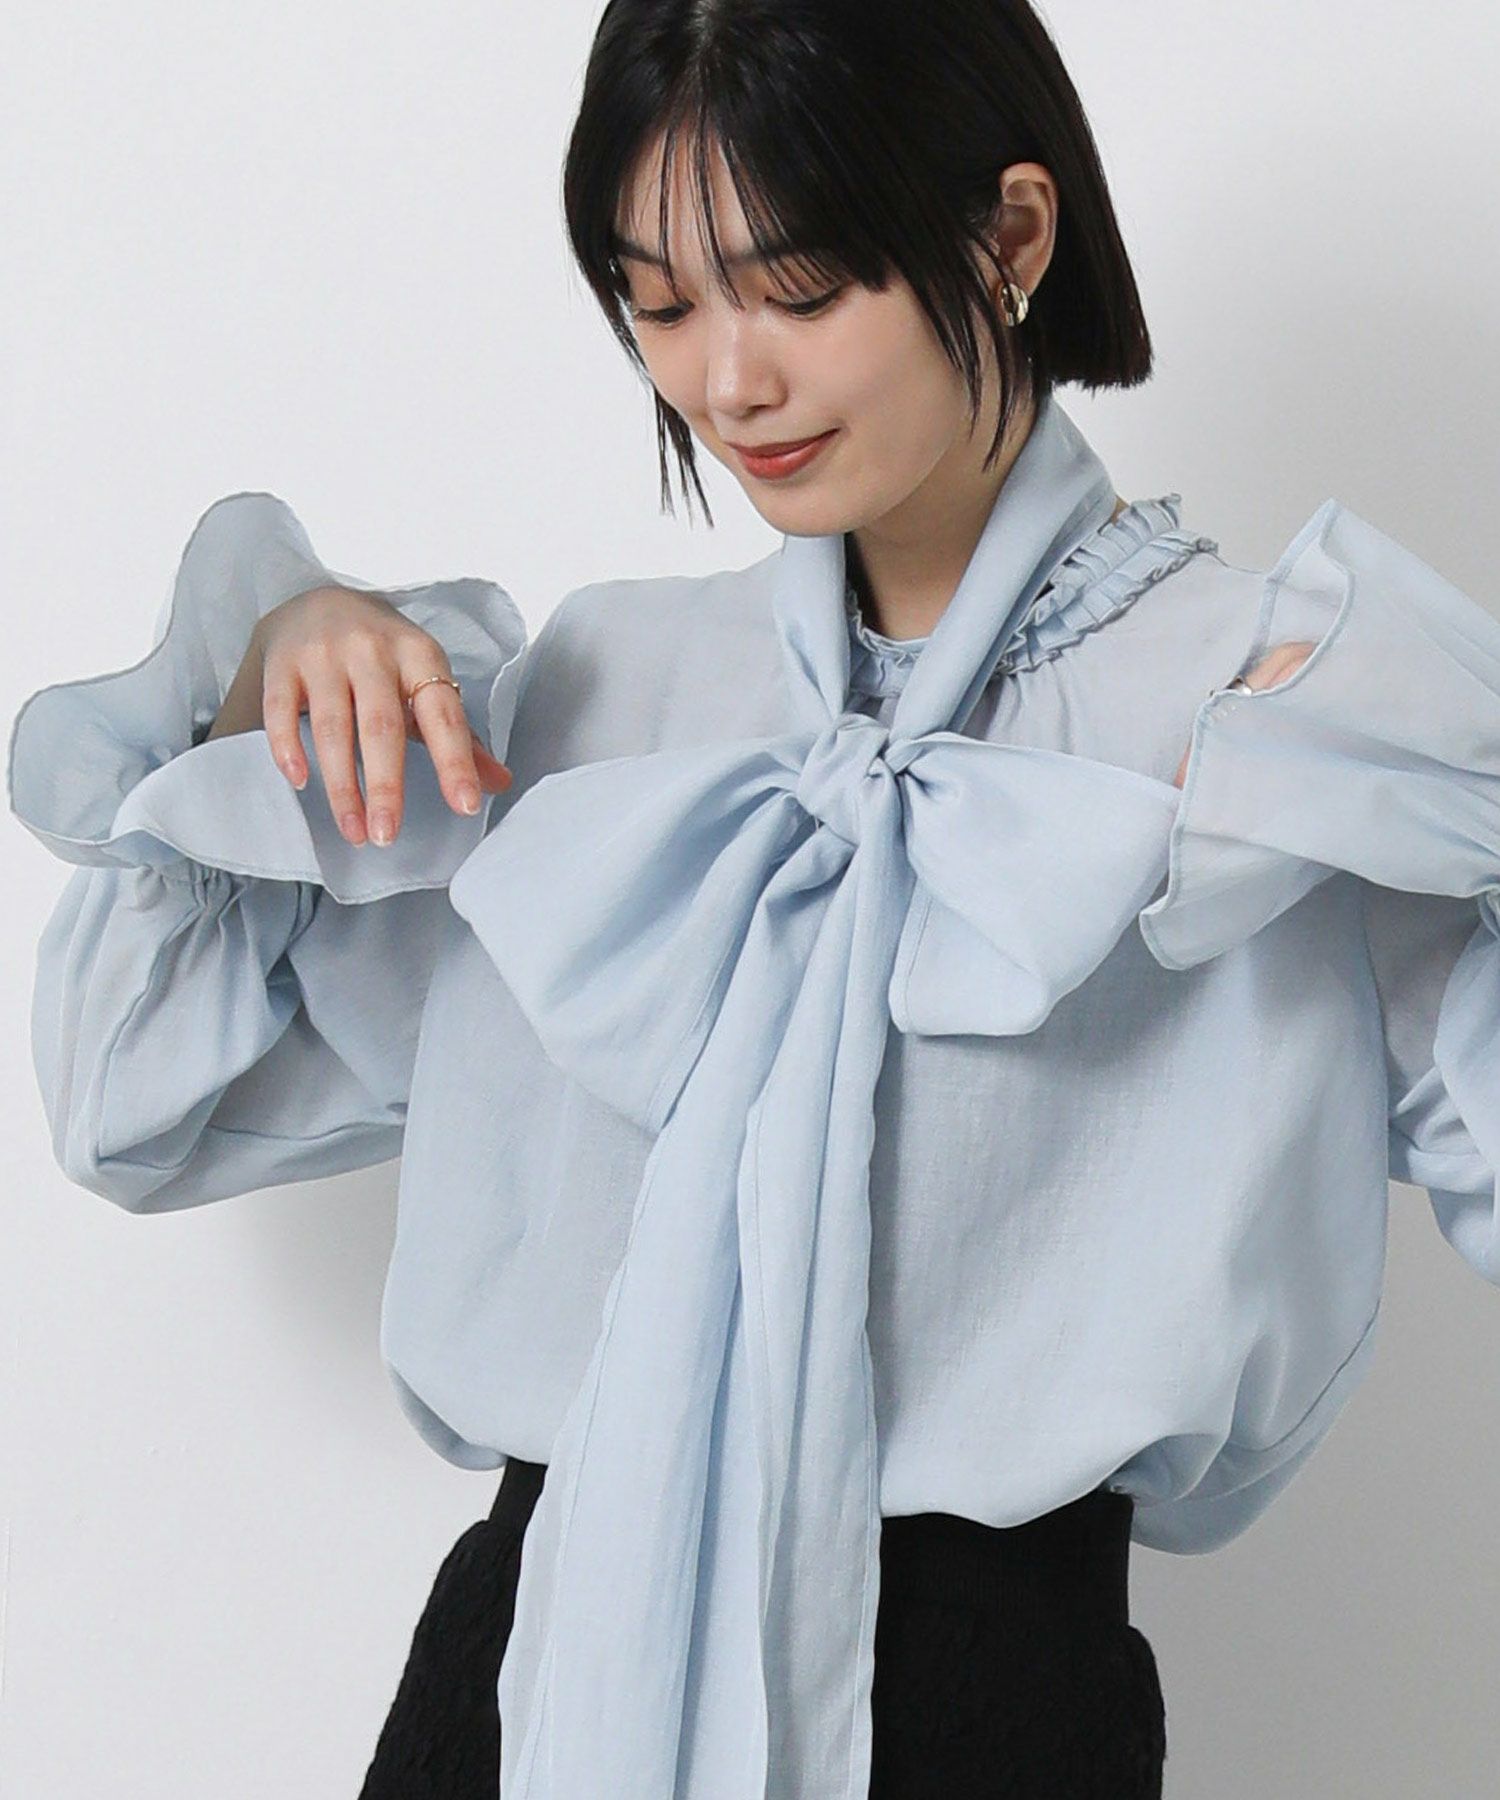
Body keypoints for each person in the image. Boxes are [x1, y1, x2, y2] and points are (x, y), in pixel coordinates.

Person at [11, 2, 1499, 1796]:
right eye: (660, 304)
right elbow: (132, 1105)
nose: (728, 384)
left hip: (990, 1718)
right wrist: (265, 694)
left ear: (1012, 236)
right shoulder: (593, 701)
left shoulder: (1283, 718)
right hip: (523, 1690)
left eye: (797, 289)